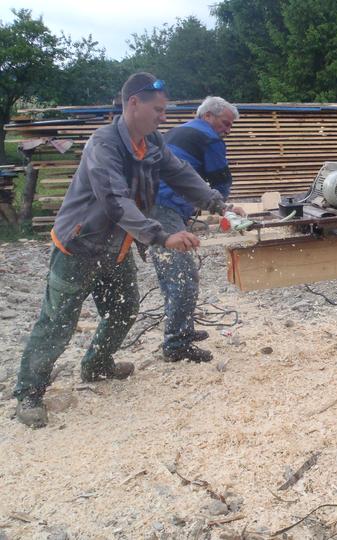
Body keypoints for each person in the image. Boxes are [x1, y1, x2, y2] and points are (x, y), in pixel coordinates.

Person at [13, 72, 229, 428]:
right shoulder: (104, 145)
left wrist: (217, 203)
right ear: (134, 103)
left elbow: (179, 173)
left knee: (124, 308)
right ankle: (29, 393)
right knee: (57, 324)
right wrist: (161, 236)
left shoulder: (151, 142)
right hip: (79, 247)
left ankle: (97, 365)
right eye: (158, 110)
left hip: (116, 247)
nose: (163, 116)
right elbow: (115, 200)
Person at [150, 96, 240, 363]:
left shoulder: (178, 131)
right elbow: (220, 178)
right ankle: (177, 344)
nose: (228, 130)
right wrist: (225, 208)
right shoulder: (208, 138)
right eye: (225, 123)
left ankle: (182, 329)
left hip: (151, 204)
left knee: (171, 274)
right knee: (183, 276)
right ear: (208, 116)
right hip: (164, 207)